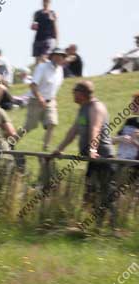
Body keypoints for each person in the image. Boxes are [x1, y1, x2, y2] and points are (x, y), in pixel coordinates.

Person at [54, 81, 116, 225]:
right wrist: (60, 148)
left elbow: (95, 128)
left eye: (74, 92)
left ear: (82, 93)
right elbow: (73, 131)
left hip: (103, 157)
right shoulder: (82, 108)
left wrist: (93, 150)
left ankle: (113, 225)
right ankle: (95, 225)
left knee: (106, 193)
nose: (72, 95)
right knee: (90, 193)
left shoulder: (96, 107)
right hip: (93, 159)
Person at [24, 48, 65, 151]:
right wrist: (40, 99)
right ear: (52, 56)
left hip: (50, 101)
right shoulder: (42, 67)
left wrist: (53, 99)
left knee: (52, 123)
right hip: (35, 101)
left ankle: (46, 149)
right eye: (56, 55)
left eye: (61, 56)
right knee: (29, 126)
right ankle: (11, 142)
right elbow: (33, 86)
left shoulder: (60, 70)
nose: (59, 57)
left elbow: (54, 87)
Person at [31, 0, 58, 66]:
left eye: (47, 1)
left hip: (48, 39)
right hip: (38, 39)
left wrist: (56, 40)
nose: (45, 3)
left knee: (44, 58)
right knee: (37, 62)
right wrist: (33, 26)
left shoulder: (52, 13)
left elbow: (55, 27)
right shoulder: (37, 13)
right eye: (44, 1)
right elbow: (33, 26)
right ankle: (39, 75)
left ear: (49, 2)